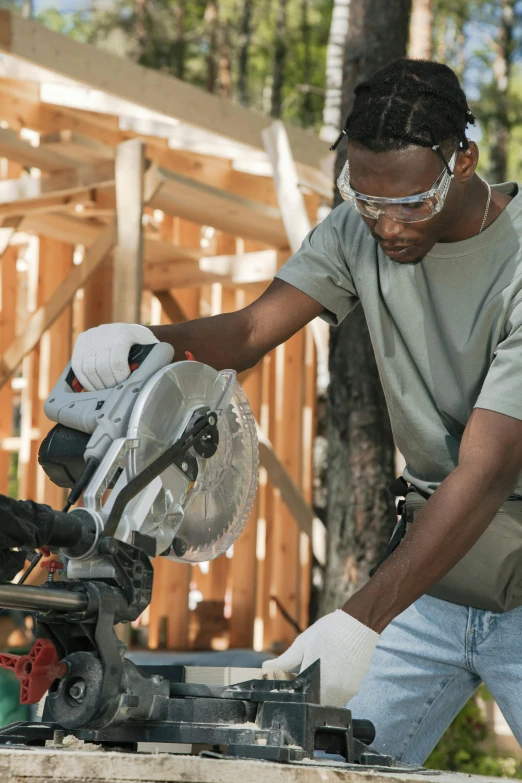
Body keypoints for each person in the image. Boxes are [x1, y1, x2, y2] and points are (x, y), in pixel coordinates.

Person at [69, 59, 522, 763]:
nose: (387, 227)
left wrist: (359, 620)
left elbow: (489, 470)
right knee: (325, 768)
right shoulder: (357, 231)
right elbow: (250, 331)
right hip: (438, 575)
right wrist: (146, 342)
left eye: (409, 204)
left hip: (501, 559)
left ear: (463, 161)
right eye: (366, 201)